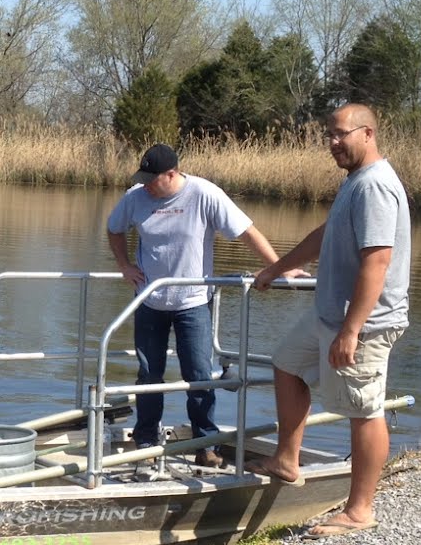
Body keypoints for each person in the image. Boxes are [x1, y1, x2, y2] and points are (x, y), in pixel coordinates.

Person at [250, 103, 411, 538]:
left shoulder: (375, 186)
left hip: (365, 323)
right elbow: (326, 235)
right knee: (286, 362)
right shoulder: (355, 183)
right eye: (329, 135)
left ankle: (360, 510)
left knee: (364, 409)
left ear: (368, 133)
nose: (333, 143)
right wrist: (278, 267)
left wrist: (352, 331)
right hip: (328, 316)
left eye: (341, 134)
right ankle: (287, 459)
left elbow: (377, 261)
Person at [106, 142, 291, 467]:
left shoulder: (204, 194)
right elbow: (114, 229)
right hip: (149, 300)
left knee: (200, 374)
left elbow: (246, 231)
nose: (146, 184)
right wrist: (124, 265)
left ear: (172, 173)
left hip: (192, 303)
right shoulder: (135, 197)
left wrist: (277, 268)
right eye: (143, 177)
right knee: (149, 375)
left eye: (152, 178)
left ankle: (206, 443)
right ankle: (146, 437)